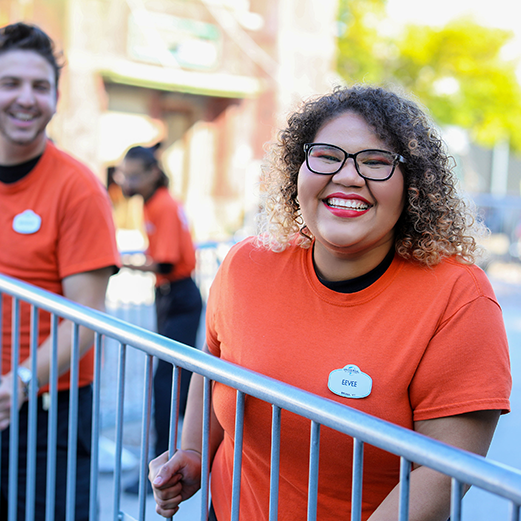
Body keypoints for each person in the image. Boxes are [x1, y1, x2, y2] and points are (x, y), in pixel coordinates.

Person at [148, 85, 512, 521]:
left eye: (376, 162)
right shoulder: (247, 264)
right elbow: (213, 366)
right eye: (326, 156)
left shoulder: (459, 298)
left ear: (412, 186)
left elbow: (445, 472)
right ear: (298, 169)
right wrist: (192, 453)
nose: (347, 176)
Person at [0, 22, 120, 520]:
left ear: (54, 97)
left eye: (40, 86)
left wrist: (20, 381)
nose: (26, 99)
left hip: (48, 411)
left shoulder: (78, 190)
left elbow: (86, 317)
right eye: (11, 83)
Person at [114, 145, 202, 494]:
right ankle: (170, 461)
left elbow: (165, 261)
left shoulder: (162, 205)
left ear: (152, 173)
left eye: (133, 175)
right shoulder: (153, 203)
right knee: (171, 384)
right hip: (172, 295)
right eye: (124, 174)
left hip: (178, 295)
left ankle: (163, 467)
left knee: (167, 386)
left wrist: (120, 262)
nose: (126, 181)